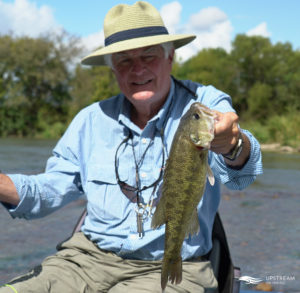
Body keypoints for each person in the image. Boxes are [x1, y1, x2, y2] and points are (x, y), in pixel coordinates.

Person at [0, 1, 263, 292]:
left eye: (148, 56)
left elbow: (243, 174)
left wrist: (233, 145)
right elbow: (49, 189)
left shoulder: (202, 104)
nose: (137, 69)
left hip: (176, 264)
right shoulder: (90, 120)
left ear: (170, 57)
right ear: (112, 67)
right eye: (124, 60)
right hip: (85, 259)